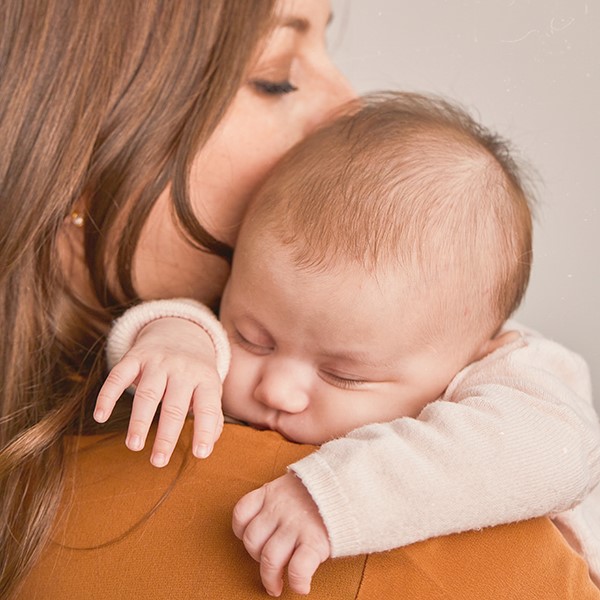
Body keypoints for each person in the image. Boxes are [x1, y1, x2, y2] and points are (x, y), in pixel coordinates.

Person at [2, 1, 597, 599]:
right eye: (276, 77)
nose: (275, 390)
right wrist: (176, 338)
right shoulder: (312, 319)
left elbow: (549, 451)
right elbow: (204, 323)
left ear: (473, 357)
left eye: (345, 374)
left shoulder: (512, 377)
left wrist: (337, 496)